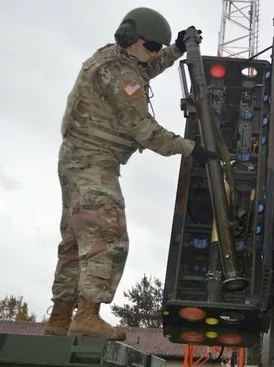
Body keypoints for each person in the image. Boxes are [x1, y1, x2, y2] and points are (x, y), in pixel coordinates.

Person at [42, 7, 218, 341]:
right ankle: (87, 315)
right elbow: (143, 130)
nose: (153, 53)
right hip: (93, 161)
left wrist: (175, 50)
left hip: (76, 161)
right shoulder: (119, 73)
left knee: (75, 241)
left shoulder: (117, 59)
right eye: (151, 45)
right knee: (108, 234)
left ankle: (59, 320)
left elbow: (146, 68)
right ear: (130, 38)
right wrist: (190, 149)